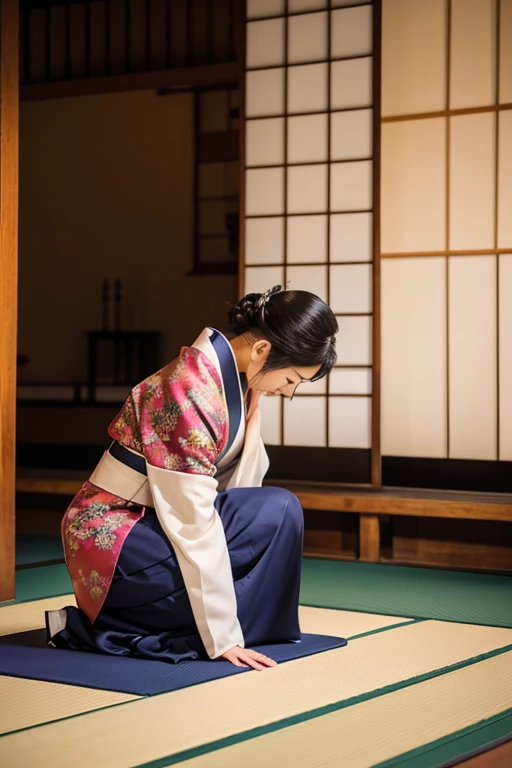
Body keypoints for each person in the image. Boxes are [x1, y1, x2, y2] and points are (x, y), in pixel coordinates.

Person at [46, 286, 338, 670]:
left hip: (158, 523)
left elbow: (240, 492)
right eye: (291, 379)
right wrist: (223, 636)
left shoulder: (235, 379)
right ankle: (137, 620)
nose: (288, 391)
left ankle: (213, 618)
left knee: (280, 510)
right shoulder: (188, 389)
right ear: (263, 351)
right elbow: (193, 520)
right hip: (116, 532)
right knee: (271, 514)